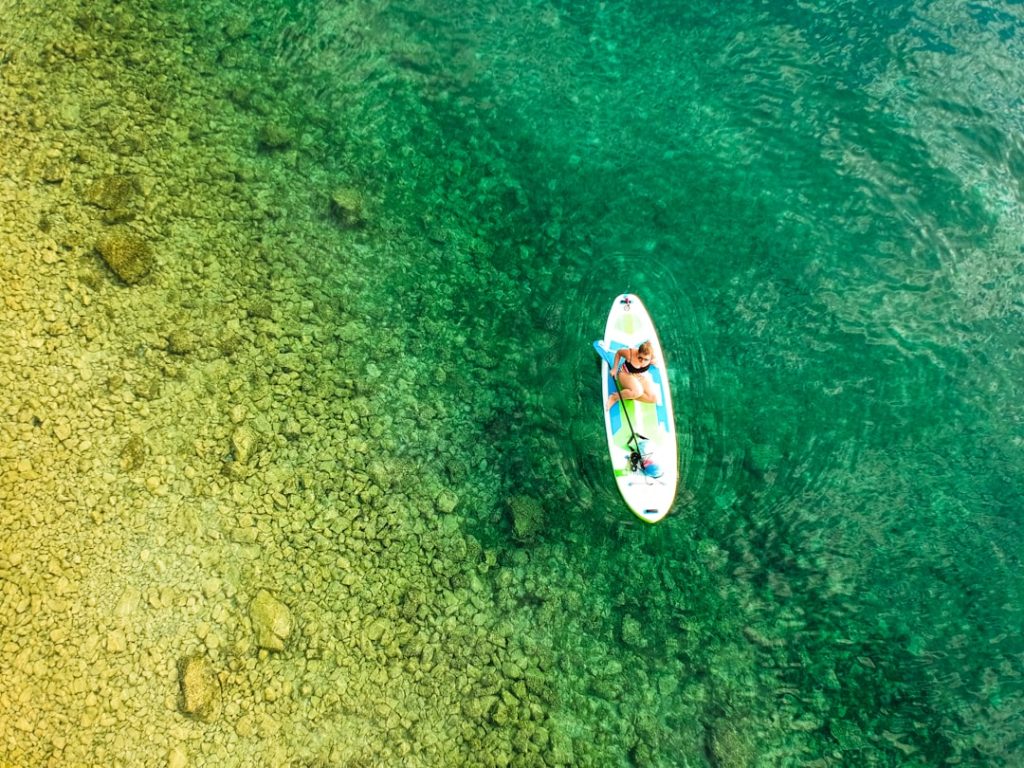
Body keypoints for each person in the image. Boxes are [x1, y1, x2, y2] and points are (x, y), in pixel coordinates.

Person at [606, 341, 658, 410]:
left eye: (646, 359)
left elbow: (655, 361)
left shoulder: (652, 359)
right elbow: (619, 353)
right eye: (640, 357)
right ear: (638, 352)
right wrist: (614, 368)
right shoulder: (630, 354)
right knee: (638, 391)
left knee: (653, 398)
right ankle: (615, 397)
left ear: (650, 358)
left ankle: (629, 394)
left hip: (639, 376)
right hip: (625, 373)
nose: (642, 361)